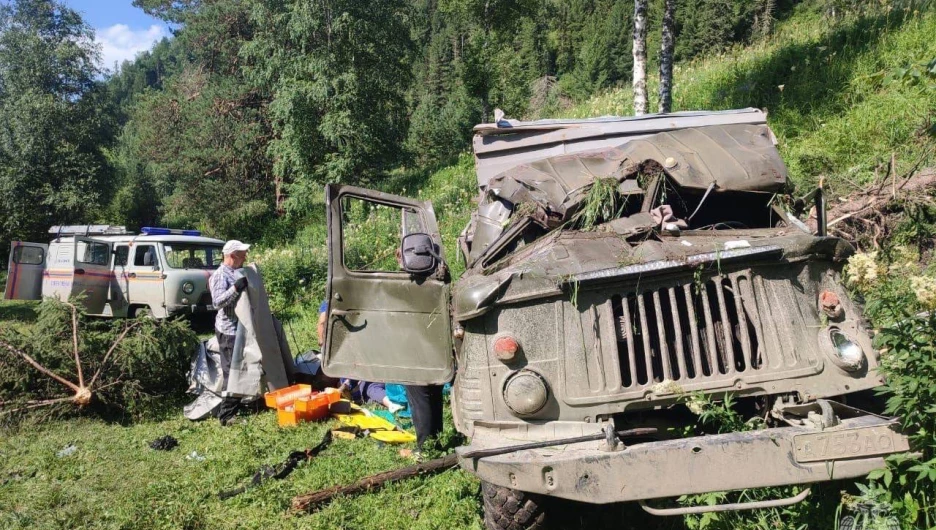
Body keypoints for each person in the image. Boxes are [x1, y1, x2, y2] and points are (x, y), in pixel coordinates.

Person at [316, 302, 402, 413]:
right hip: (363, 378)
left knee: (371, 389)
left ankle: (391, 404)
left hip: (371, 375)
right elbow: (322, 321)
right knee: (369, 393)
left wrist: (345, 386)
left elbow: (357, 367)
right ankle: (389, 402)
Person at [209, 239, 251, 425]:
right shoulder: (220, 275)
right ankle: (226, 416)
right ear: (232, 256)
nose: (245, 257)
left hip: (239, 328)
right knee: (231, 371)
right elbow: (217, 302)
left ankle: (236, 406)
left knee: (239, 368)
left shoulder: (236, 271)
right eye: (242, 254)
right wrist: (235, 288)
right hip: (228, 330)